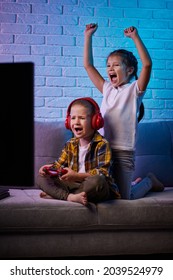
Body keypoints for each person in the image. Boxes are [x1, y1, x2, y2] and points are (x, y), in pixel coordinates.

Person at [84, 24, 164, 199]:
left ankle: (149, 180)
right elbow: (88, 66)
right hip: (103, 151)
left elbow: (147, 65)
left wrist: (135, 38)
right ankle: (132, 183)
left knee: (126, 198)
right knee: (107, 193)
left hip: (124, 152)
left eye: (116, 65)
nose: (110, 69)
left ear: (129, 70)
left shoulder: (135, 90)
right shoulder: (107, 89)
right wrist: (88, 36)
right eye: (108, 65)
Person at [36, 97, 120, 206]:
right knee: (41, 178)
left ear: (95, 121)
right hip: (72, 185)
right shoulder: (70, 144)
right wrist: (48, 169)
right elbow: (58, 166)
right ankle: (70, 197)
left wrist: (76, 176)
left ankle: (59, 195)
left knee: (97, 181)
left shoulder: (102, 144)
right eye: (73, 118)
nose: (76, 122)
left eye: (82, 118)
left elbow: (104, 173)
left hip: (92, 186)